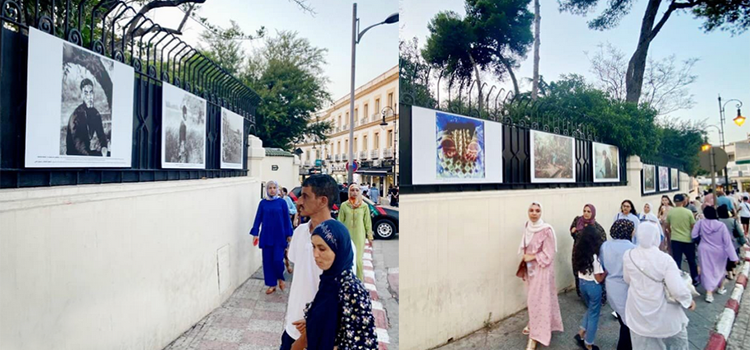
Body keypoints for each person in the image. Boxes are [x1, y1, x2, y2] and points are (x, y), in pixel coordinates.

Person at [281, 175, 358, 350]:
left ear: (323, 201)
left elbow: (343, 297)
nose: (299, 201)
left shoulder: (342, 244)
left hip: (319, 334)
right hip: (292, 326)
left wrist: (311, 327)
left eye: (305, 196)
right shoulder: (300, 232)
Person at [291, 220, 378, 350]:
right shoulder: (328, 281)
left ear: (339, 249)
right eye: (313, 247)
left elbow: (364, 343)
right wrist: (313, 322)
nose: (315, 255)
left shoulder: (352, 289)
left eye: (322, 248)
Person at [623, 223, 696, 349]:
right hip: (663, 313)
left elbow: (627, 279)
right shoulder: (665, 259)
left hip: (638, 310)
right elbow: (676, 289)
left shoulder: (628, 255)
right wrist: (688, 301)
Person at [519, 202, 563, 350]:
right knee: (535, 300)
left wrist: (531, 257)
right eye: (531, 210)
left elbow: (548, 254)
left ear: (541, 212)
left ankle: (535, 337)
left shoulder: (546, 230)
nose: (534, 213)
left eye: (537, 211)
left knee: (537, 299)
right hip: (531, 269)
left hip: (542, 270)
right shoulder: (528, 226)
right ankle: (534, 324)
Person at [249, 180, 292, 294]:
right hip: (267, 236)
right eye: (270, 188)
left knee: (278, 260)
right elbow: (258, 218)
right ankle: (271, 284)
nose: (272, 190)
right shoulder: (263, 203)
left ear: (277, 189)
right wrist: (255, 233)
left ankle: (280, 278)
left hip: (279, 236)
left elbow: (286, 219)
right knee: (267, 262)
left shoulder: (282, 203)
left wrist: (289, 234)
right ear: (266, 190)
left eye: (274, 187)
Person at [600, 219, 636, 350]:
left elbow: (603, 264)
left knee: (623, 320)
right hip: (626, 287)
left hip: (611, 286)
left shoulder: (605, 246)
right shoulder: (633, 248)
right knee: (629, 323)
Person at [693, 206, 739, 303]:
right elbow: (727, 242)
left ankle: (709, 293)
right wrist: (733, 257)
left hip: (704, 249)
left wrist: (701, 241)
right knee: (720, 269)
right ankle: (720, 288)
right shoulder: (721, 225)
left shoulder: (700, 223)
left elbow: (693, 235)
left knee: (706, 270)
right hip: (719, 250)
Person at [573, 226, 606, 350]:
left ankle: (581, 332)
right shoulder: (595, 257)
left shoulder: (579, 253)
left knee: (590, 309)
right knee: (594, 314)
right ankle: (588, 343)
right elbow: (599, 278)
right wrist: (606, 272)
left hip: (582, 284)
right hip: (593, 286)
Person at [569, 204, 607, 298]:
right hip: (578, 251)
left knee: (592, 273)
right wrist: (572, 231)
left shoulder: (596, 227)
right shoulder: (578, 221)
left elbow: (603, 240)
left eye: (588, 211)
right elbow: (573, 233)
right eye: (584, 211)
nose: (586, 213)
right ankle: (582, 294)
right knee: (578, 271)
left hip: (590, 254)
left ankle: (596, 296)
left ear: (593, 213)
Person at [338, 183, 373, 281]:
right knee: (347, 259)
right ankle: (348, 281)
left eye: (357, 190)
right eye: (352, 190)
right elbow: (340, 221)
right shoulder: (344, 206)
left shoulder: (364, 206)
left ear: (360, 192)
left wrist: (369, 236)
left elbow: (367, 222)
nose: (355, 192)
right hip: (347, 236)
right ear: (349, 192)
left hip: (359, 236)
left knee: (358, 261)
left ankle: (359, 282)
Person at [66, 78, 108, 156]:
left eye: (91, 92)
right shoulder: (76, 117)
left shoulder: (95, 114)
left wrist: (104, 147)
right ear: (82, 95)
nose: (89, 97)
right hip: (75, 157)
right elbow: (79, 147)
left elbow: (101, 135)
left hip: (87, 153)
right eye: (86, 93)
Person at [667, 193, 698, 285]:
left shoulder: (671, 212)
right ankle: (695, 279)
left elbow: (668, 226)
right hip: (688, 239)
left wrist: (672, 232)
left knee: (677, 260)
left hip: (675, 239)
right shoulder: (688, 212)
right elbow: (693, 226)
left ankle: (677, 280)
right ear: (683, 201)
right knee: (692, 261)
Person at [717, 204, 745, 280]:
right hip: (733, 243)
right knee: (733, 257)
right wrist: (743, 241)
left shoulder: (717, 222)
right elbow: (740, 233)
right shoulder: (733, 221)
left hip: (721, 243)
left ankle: (729, 273)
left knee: (725, 258)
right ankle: (733, 271)